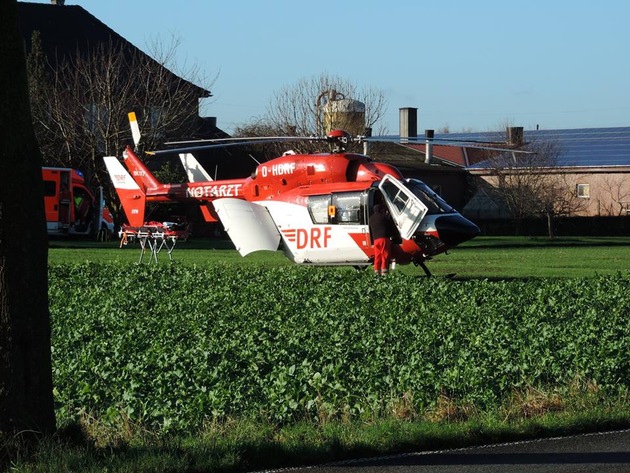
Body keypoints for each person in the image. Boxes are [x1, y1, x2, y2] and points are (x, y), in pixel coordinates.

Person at [369, 204, 396, 275]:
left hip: (375, 240)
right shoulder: (383, 217)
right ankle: (384, 271)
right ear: (381, 210)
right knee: (385, 255)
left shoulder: (371, 218)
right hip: (383, 239)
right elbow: (390, 226)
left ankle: (376, 271)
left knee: (377, 256)